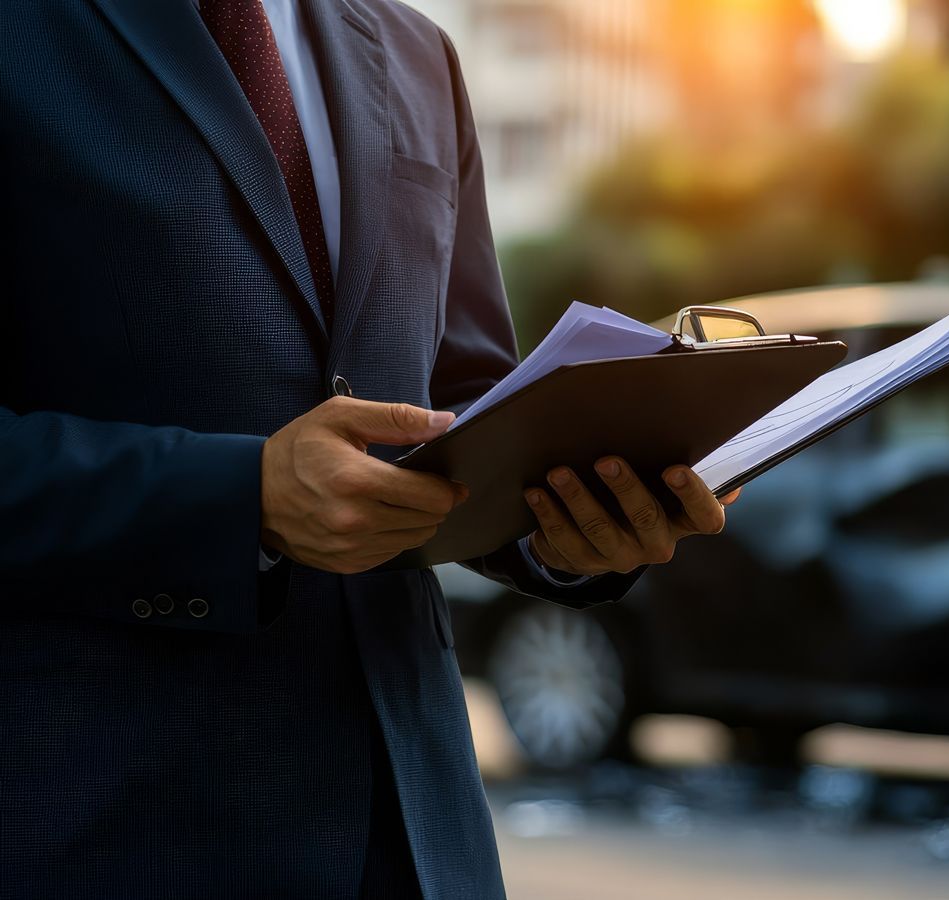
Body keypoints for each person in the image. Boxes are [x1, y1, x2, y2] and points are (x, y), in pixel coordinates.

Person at [0, 0, 734, 896]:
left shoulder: (417, 49)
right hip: (99, 821)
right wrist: (239, 498)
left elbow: (465, 398)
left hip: (413, 829)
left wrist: (570, 524)